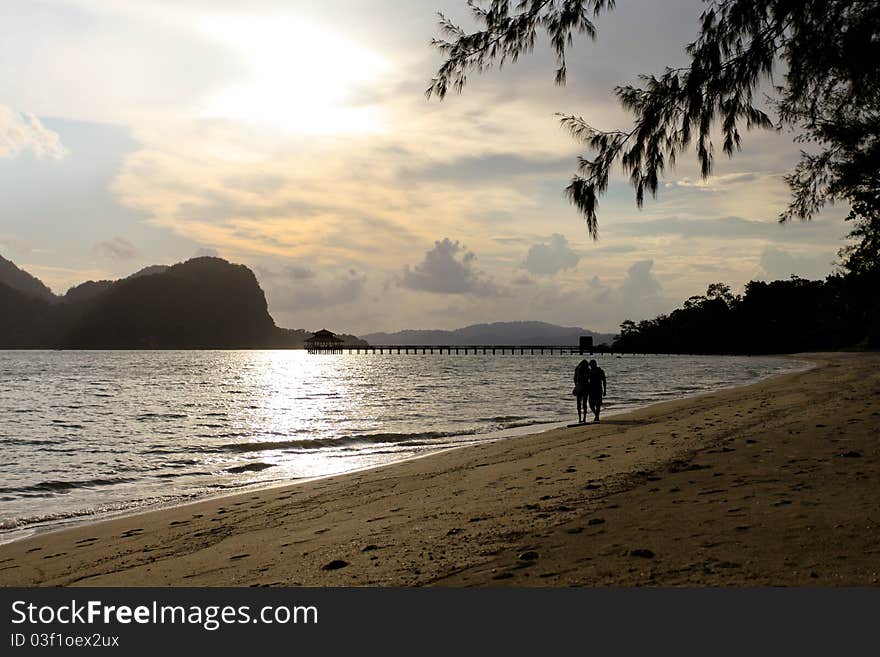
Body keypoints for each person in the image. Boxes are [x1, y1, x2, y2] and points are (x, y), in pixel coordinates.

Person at [573, 358, 590, 423]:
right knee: (584, 403)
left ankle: (580, 419)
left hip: (580, 387)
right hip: (585, 387)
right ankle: (584, 418)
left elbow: (575, 378)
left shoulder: (577, 369)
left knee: (579, 403)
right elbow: (589, 378)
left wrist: (576, 386)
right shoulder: (587, 369)